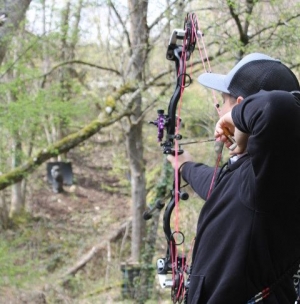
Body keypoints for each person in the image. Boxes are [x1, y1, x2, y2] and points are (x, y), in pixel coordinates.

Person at [167, 53, 300, 303]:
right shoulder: (251, 175)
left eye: (224, 104)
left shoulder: (275, 176)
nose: (220, 112)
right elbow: (219, 188)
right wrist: (184, 165)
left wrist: (235, 117)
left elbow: (277, 109)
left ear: (241, 107)